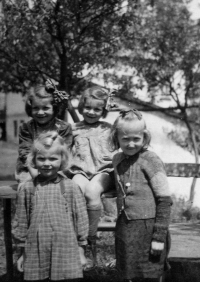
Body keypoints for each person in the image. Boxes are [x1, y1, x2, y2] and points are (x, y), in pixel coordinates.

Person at [14, 131, 88, 282]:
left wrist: (81, 251)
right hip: (35, 249)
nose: (47, 163)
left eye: (53, 158)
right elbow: (21, 222)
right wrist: (22, 253)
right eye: (41, 158)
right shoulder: (27, 188)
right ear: (34, 160)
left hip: (65, 247)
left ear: (62, 160)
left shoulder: (71, 187)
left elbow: (81, 220)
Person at [109, 109, 172, 282]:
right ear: (117, 138)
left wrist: (159, 236)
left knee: (150, 274)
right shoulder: (117, 160)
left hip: (149, 228)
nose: (130, 144)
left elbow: (164, 200)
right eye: (125, 139)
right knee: (127, 274)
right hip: (125, 228)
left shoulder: (151, 160)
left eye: (136, 139)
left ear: (144, 137)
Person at [66, 86, 116, 267]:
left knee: (92, 191)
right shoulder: (73, 129)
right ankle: (77, 243)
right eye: (88, 108)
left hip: (103, 171)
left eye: (97, 109)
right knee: (76, 189)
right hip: (79, 170)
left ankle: (90, 238)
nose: (92, 112)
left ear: (104, 110)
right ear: (81, 107)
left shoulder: (109, 129)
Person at [15, 79, 73, 183]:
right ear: (30, 108)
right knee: (27, 185)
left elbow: (64, 153)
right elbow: (25, 153)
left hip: (57, 167)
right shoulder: (26, 128)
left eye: (45, 108)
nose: (40, 112)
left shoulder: (64, 127)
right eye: (36, 108)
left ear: (54, 108)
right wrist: (37, 176)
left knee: (61, 184)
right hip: (30, 168)